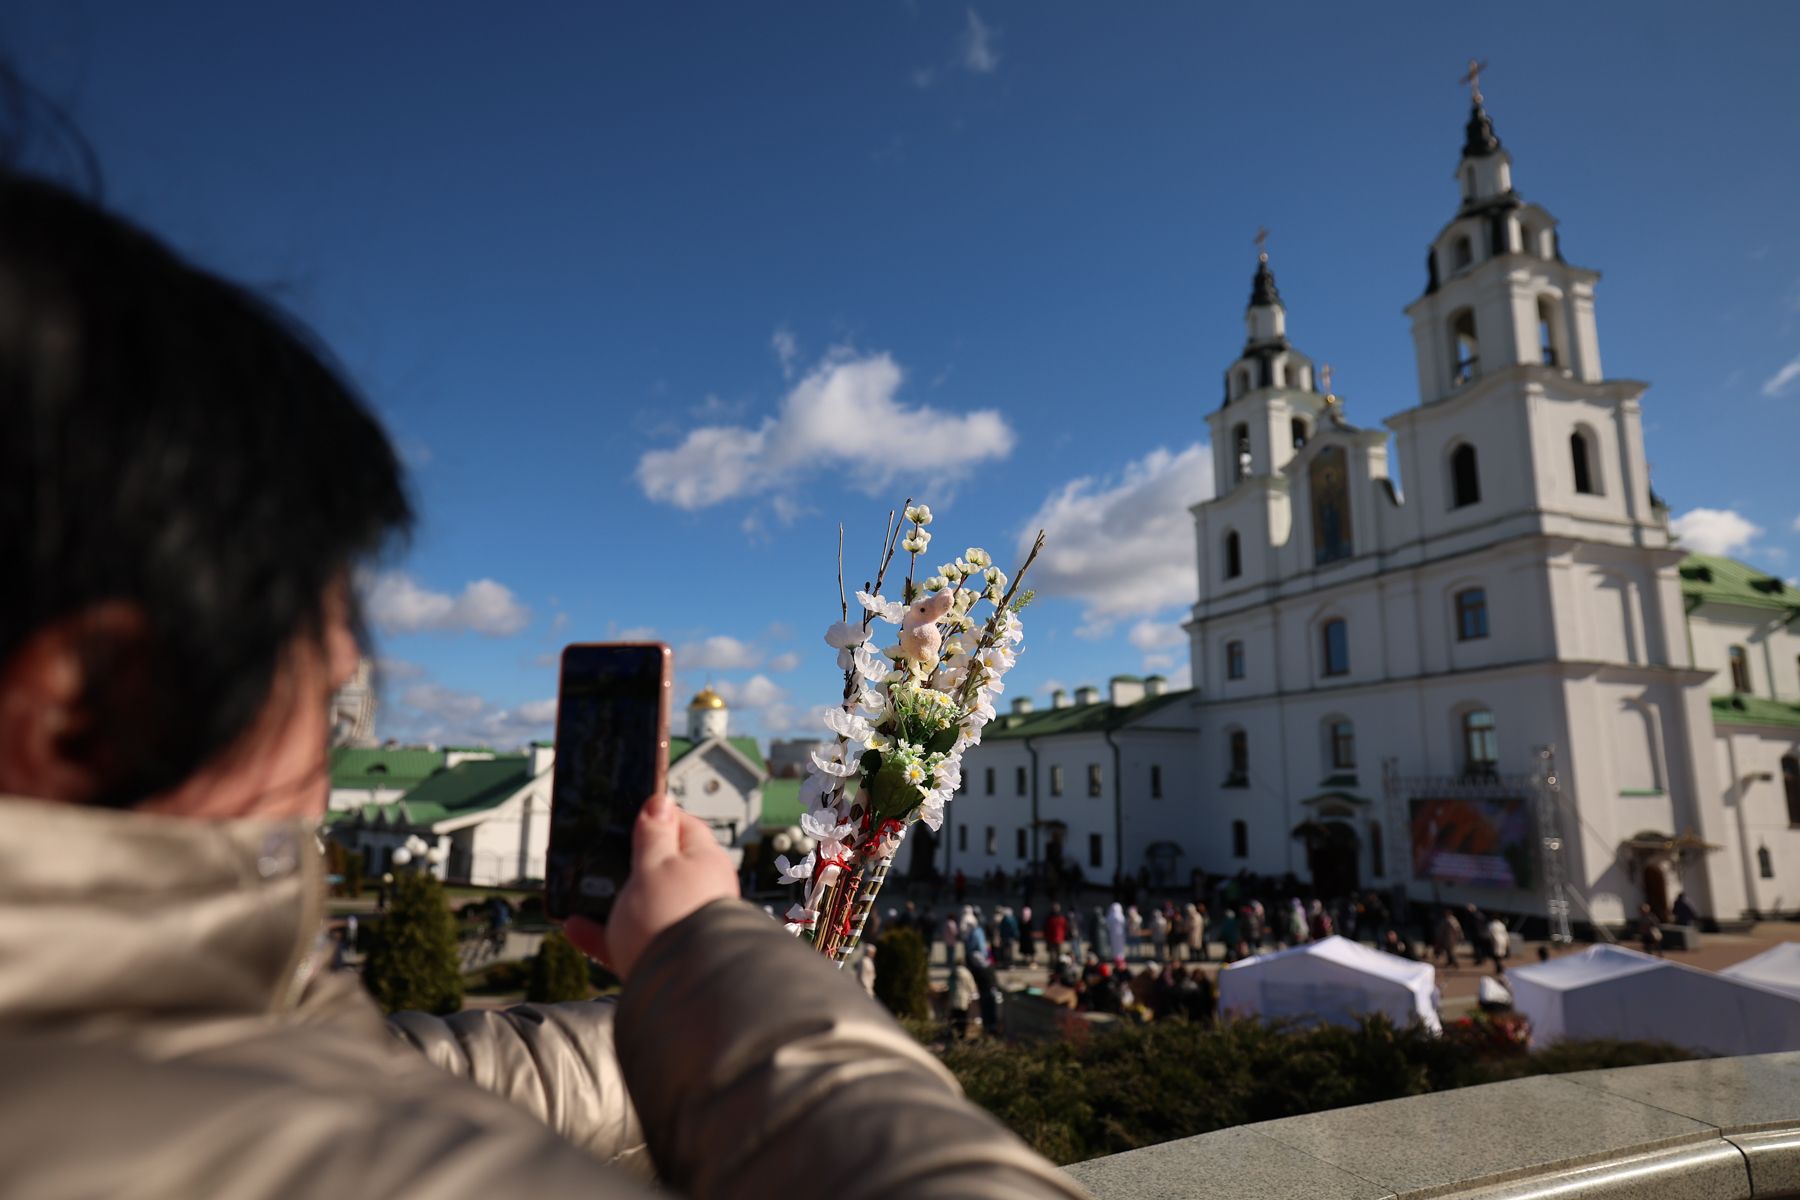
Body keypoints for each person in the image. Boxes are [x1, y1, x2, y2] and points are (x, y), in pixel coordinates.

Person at [0, 155, 1083, 1200]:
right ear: (79, 701)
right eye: (301, 623)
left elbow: (391, 1075)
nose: (342, 665)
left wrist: (681, 1001)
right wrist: (718, 965)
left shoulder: (163, 1050)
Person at [949, 946, 979, 1039]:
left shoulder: (952, 973)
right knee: (963, 1018)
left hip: (953, 999)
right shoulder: (966, 973)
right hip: (963, 999)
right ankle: (962, 1036)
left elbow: (949, 985)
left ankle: (955, 1035)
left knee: (955, 1019)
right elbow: (971, 986)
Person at [1106, 902, 1128, 968]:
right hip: (1120, 934)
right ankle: (1119, 959)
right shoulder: (1120, 916)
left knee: (1116, 947)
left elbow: (1107, 923)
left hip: (1115, 934)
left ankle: (1117, 959)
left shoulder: (1111, 916)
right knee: (1119, 947)